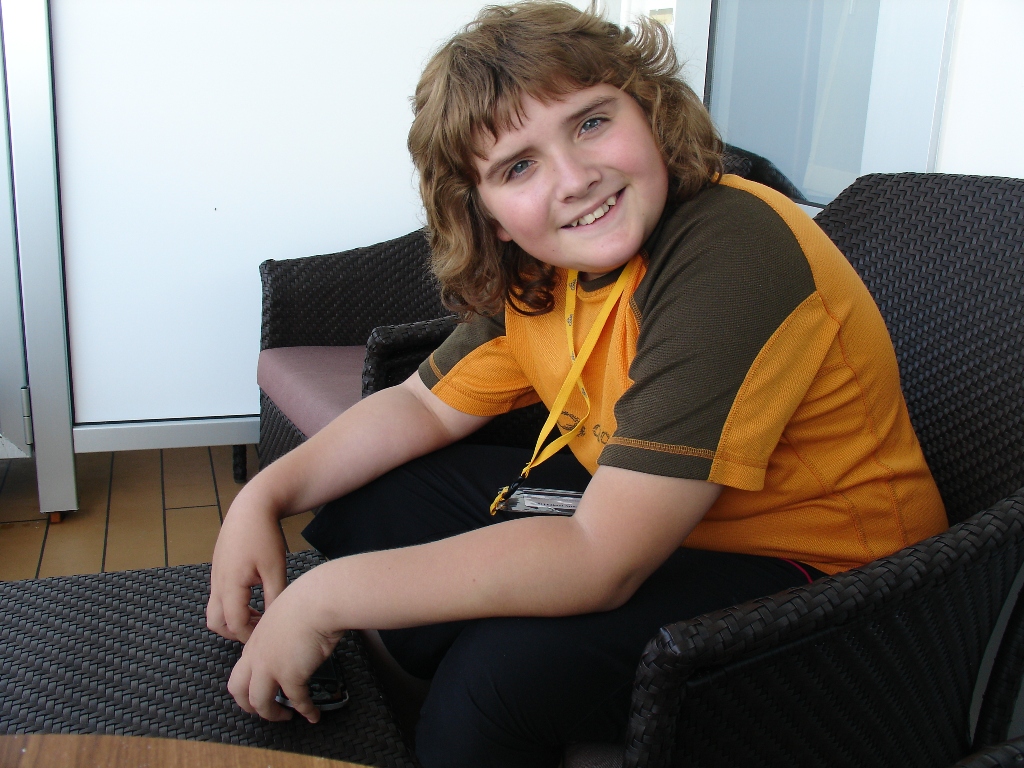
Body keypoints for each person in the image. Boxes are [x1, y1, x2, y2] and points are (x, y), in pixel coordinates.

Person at [206, 3, 948, 766]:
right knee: (378, 498)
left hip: (841, 588)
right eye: (518, 167)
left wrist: (322, 599)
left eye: (591, 123)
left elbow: (601, 557)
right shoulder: (545, 266)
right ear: (488, 214)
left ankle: (473, 690)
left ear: (650, 110)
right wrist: (261, 497)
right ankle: (450, 678)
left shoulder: (730, 247)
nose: (575, 178)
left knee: (499, 676)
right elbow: (420, 407)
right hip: (664, 518)